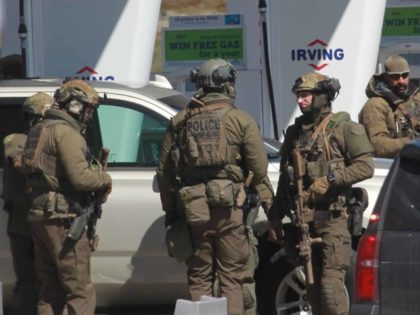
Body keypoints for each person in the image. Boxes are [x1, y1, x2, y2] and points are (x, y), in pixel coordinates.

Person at [156, 58, 274, 315]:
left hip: (193, 211)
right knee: (232, 278)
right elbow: (260, 169)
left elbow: (164, 173)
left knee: (200, 278)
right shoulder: (241, 120)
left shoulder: (180, 122)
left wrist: (172, 213)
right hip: (229, 210)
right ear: (227, 85)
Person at [270, 72, 374, 315]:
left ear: (323, 96)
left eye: (306, 95)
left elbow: (365, 166)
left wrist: (329, 180)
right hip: (304, 223)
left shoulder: (343, 128)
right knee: (312, 288)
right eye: (299, 96)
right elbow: (286, 180)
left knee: (330, 288)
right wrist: (276, 215)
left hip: (333, 221)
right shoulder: (296, 133)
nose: (301, 101)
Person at [21, 79, 112, 315]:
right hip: (63, 219)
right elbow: (81, 179)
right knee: (79, 291)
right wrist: (104, 178)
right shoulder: (66, 133)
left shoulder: (39, 129)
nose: (89, 116)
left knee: (49, 290)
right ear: (74, 105)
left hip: (39, 216)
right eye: (88, 109)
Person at [2, 92, 53, 315]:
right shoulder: (16, 141)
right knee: (28, 283)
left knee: (46, 282)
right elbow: (24, 163)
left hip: (41, 221)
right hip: (24, 224)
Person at [359, 54, 420, 158]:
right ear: (386, 77)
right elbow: (377, 145)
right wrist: (412, 143)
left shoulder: (416, 98)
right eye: (395, 76)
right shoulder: (375, 105)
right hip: (389, 166)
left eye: (404, 76)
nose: (401, 81)